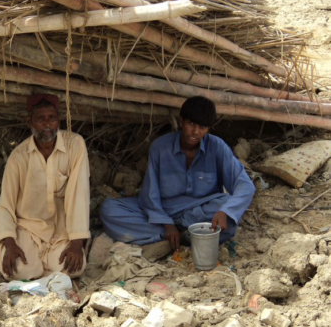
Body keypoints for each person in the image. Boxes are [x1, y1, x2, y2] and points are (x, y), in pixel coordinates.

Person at [100, 96, 255, 250]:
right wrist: (167, 224)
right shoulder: (160, 147)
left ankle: (168, 237)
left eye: (202, 127)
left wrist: (225, 211)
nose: (195, 132)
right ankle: (183, 235)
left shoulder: (217, 147)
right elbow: (149, 195)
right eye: (191, 124)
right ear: (182, 121)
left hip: (199, 211)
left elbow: (245, 185)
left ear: (208, 129)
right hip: (164, 211)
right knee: (109, 209)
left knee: (228, 214)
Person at [0, 94, 90, 280]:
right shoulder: (19, 156)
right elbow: (6, 203)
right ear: (29, 122)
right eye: (41, 119)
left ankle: (42, 264)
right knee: (19, 272)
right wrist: (10, 243)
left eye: (52, 118)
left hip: (60, 228)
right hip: (26, 226)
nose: (47, 124)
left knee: (73, 269)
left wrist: (76, 242)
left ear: (58, 120)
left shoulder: (75, 145)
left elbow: (79, 194)